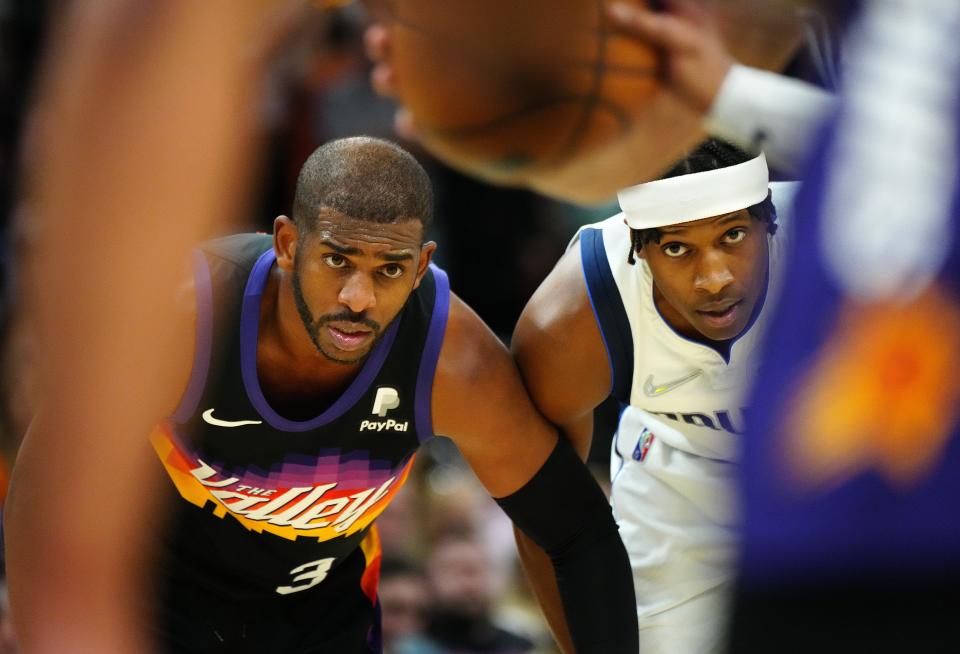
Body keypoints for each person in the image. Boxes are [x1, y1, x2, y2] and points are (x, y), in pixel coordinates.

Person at [143, 136, 636, 652]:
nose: (359, 298)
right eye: (337, 261)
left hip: (320, 619)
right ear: (288, 245)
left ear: (421, 266)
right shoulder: (186, 316)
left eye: (390, 270)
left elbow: (577, 532)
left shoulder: (451, 361)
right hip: (151, 598)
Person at [510, 138, 798, 653]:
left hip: (823, 478)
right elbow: (547, 517)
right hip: (678, 501)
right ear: (637, 245)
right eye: (677, 248)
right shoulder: (571, 321)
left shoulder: (843, 245)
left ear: (770, 218)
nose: (714, 278)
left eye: (733, 235)